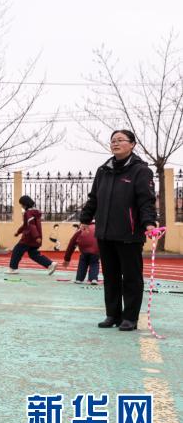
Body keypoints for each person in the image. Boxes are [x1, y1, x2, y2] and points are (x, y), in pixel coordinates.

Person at [80, 129, 157, 331]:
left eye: (120, 140)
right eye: (113, 140)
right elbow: (94, 198)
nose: (115, 143)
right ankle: (112, 315)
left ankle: (130, 317)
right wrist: (85, 218)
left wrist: (149, 223)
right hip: (105, 233)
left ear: (132, 144)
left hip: (129, 234)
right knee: (111, 277)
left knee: (131, 278)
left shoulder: (141, 171)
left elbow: (146, 200)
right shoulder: (103, 170)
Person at [7, 195, 58, 276]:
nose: (21, 206)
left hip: (28, 237)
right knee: (33, 254)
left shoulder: (28, 213)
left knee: (17, 251)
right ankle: (50, 264)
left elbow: (31, 225)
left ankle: (13, 268)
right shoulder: (36, 212)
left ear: (25, 204)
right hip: (35, 238)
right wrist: (18, 232)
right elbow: (25, 225)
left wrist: (36, 236)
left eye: (22, 204)